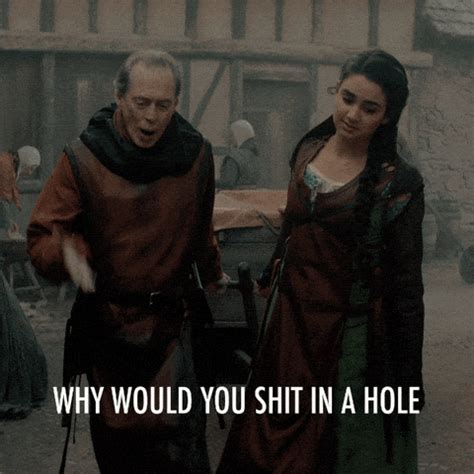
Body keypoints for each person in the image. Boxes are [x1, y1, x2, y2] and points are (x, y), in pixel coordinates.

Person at [218, 50, 425, 473]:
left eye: (369, 108)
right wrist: (271, 273)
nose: (352, 115)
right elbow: (293, 225)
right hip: (291, 326)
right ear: (336, 91)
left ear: (387, 116)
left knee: (341, 452)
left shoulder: (397, 184)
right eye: (347, 98)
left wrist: (408, 377)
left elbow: (406, 285)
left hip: (352, 337)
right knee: (267, 448)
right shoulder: (308, 150)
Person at [27, 50, 227, 473]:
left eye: (163, 105)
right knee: (121, 456)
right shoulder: (83, 157)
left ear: (176, 104)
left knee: (181, 454)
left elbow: (201, 234)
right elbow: (43, 235)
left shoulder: (196, 156)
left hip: (172, 329)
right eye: (141, 103)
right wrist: (66, 252)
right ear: (119, 97)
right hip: (109, 332)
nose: (151, 117)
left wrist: (214, 280)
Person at [0, 145, 47, 419]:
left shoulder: (7, 168)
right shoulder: (4, 168)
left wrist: (8, 226)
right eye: (29, 169)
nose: (28, 174)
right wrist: (7, 228)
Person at [0, 146, 41, 239]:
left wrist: (9, 222)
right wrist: (8, 227)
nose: (30, 173)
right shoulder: (5, 167)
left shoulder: (9, 166)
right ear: (25, 162)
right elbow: (2, 199)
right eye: (31, 168)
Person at [216, 119, 260, 188]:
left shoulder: (235, 157)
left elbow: (227, 182)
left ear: (238, 135)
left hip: (233, 194)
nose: (230, 139)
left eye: (231, 135)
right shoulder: (255, 157)